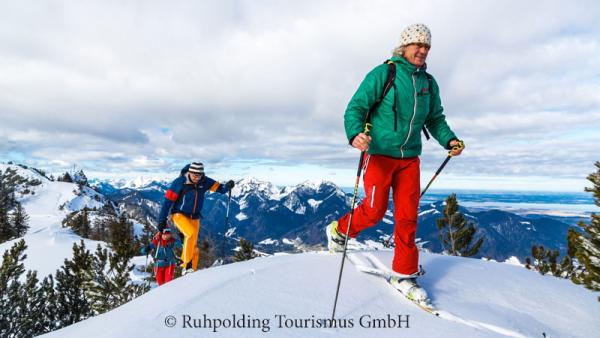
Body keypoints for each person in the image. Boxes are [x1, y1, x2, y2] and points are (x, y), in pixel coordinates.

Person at [326, 24, 464, 304]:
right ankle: (339, 230)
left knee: (407, 216)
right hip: (379, 155)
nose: (423, 51)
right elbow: (356, 108)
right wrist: (355, 134)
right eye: (418, 45)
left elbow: (435, 118)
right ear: (404, 47)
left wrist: (449, 140)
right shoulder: (384, 74)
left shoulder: (428, 83)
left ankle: (404, 273)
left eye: (427, 47)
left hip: (409, 158)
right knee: (374, 211)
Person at [157, 162, 235, 275]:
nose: (196, 178)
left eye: (199, 175)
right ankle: (186, 266)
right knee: (191, 233)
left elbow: (220, 189)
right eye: (194, 175)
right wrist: (161, 221)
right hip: (179, 215)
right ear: (190, 172)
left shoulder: (205, 181)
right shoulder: (179, 182)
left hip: (195, 217)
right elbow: (167, 203)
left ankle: (190, 270)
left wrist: (228, 186)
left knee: (193, 247)